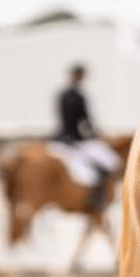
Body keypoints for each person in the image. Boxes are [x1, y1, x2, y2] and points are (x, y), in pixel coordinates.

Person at [54, 63, 121, 208]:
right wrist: (96, 135)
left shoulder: (61, 95)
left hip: (59, 138)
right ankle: (97, 200)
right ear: (80, 76)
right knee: (111, 163)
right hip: (76, 140)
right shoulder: (79, 96)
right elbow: (86, 122)